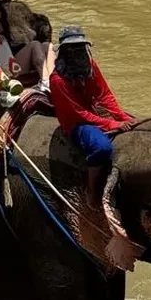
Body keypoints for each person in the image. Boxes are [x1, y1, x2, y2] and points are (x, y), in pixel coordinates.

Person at [49, 25, 136, 220]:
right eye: (72, 48)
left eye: (80, 47)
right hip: (76, 123)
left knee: (135, 125)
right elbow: (78, 114)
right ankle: (92, 191)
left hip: (93, 111)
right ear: (63, 51)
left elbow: (104, 95)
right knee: (102, 148)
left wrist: (121, 116)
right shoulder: (57, 80)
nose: (76, 52)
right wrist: (113, 125)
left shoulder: (89, 66)